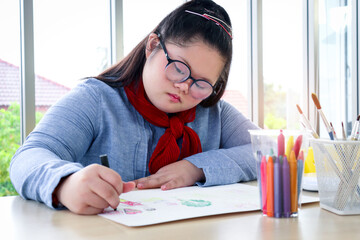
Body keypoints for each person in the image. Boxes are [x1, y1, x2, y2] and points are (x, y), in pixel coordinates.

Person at [10, 0, 259, 215]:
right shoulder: (96, 100)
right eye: (179, 68)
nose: (184, 86)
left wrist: (196, 168)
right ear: (152, 46)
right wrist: (65, 183)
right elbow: (28, 157)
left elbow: (269, 151)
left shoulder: (215, 113)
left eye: (202, 83)